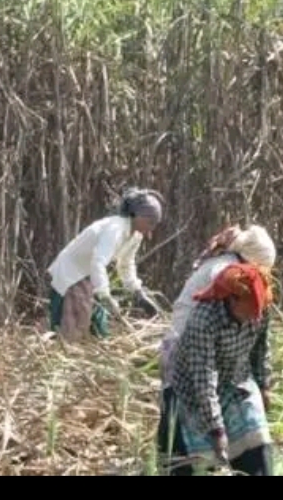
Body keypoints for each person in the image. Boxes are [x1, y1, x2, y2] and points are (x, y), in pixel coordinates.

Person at [158, 224, 274, 474]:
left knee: (256, 441)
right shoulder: (212, 304)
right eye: (248, 312)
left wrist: (263, 384)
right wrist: (217, 430)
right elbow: (204, 377)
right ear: (230, 298)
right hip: (188, 359)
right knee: (185, 445)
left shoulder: (257, 300)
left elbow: (260, 348)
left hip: (232, 373)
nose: (253, 319)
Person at [47, 189, 163, 342]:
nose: (151, 229)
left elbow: (126, 264)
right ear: (137, 215)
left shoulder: (135, 236)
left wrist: (137, 292)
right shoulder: (115, 229)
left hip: (90, 277)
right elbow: (98, 261)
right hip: (71, 275)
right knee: (71, 328)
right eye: (150, 222)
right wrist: (105, 295)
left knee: (100, 329)